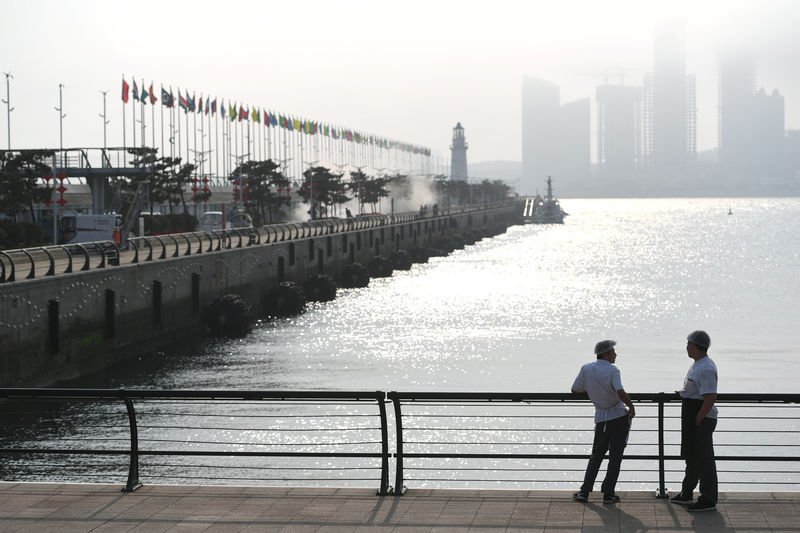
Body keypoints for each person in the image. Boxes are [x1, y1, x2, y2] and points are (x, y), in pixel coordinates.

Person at [571, 340, 636, 504]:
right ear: (606, 353)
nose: (615, 354)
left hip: (601, 420)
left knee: (596, 456)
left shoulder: (586, 369)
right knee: (615, 458)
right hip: (619, 418)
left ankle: (585, 491)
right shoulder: (613, 370)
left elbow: (575, 390)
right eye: (613, 352)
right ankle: (608, 494)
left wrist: (593, 390)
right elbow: (620, 390)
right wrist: (631, 406)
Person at [671, 330, 718, 512]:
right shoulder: (698, 364)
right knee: (692, 456)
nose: (686, 347)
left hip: (701, 418)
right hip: (693, 414)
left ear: (695, 346)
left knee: (704, 459)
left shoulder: (706, 368)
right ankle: (686, 493)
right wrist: (684, 393)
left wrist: (699, 419)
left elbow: (710, 396)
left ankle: (708, 498)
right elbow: (696, 389)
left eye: (688, 344)